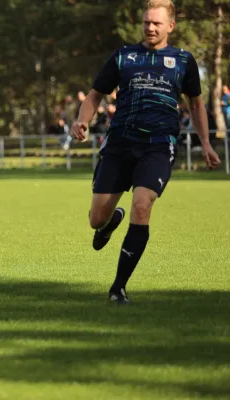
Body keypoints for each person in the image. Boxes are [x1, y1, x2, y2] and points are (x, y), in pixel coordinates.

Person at [71, 0, 221, 304]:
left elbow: (195, 104)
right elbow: (96, 94)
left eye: (156, 23)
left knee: (142, 205)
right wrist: (82, 120)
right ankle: (110, 222)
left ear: (170, 26)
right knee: (96, 219)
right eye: (146, 22)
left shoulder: (183, 60)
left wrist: (206, 143)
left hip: (158, 145)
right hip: (119, 145)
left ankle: (118, 288)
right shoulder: (124, 57)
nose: (150, 28)